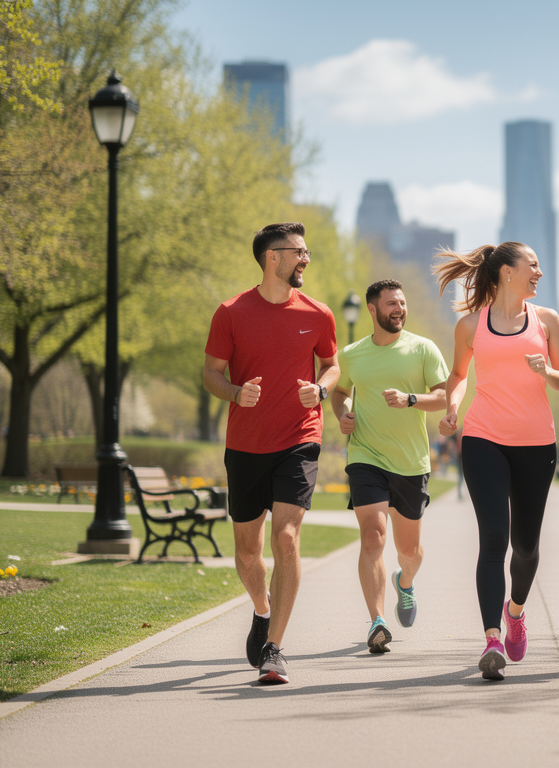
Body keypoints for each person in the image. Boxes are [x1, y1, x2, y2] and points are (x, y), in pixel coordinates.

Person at [203, 222, 339, 685]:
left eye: (307, 251)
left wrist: (319, 390)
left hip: (300, 438)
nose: (306, 259)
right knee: (247, 553)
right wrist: (235, 393)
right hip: (245, 445)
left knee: (286, 538)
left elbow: (332, 364)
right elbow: (211, 374)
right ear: (272, 258)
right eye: (299, 252)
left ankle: (275, 649)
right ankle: (262, 610)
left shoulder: (319, 314)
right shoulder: (231, 312)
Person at [433, 241, 559, 681]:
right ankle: (492, 638)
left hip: (536, 443)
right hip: (484, 438)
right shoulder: (471, 324)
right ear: (507, 272)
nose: (539, 272)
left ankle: (516, 611)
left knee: (526, 545)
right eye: (532, 265)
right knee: (494, 538)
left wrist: (546, 372)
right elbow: (458, 376)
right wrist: (453, 406)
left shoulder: (547, 320)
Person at [330, 279, 449, 654]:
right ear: (372, 309)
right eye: (391, 304)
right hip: (366, 457)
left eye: (402, 302)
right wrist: (343, 414)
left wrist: (411, 399)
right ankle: (377, 621)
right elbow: (339, 391)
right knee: (372, 536)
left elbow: (444, 397)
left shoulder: (423, 348)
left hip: (411, 463)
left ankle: (406, 583)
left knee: (409, 552)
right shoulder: (351, 354)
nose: (398, 309)